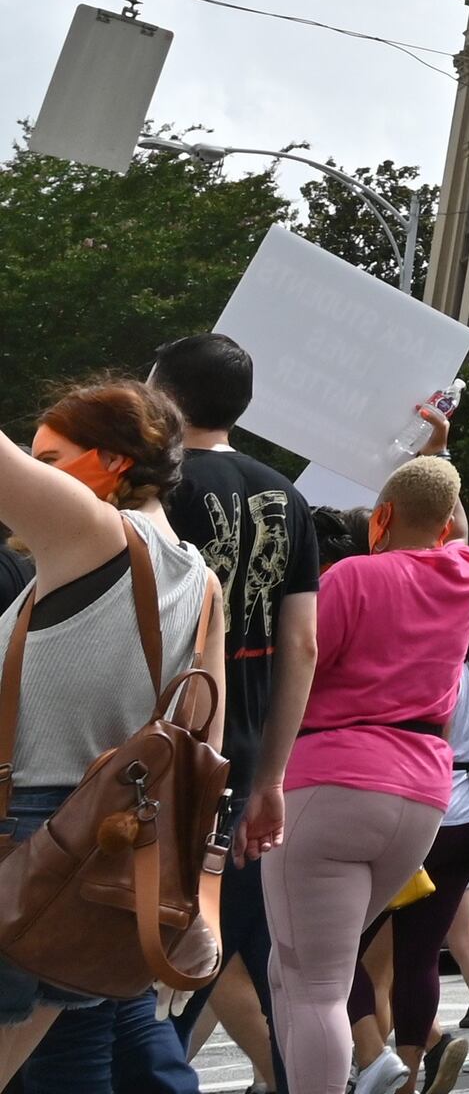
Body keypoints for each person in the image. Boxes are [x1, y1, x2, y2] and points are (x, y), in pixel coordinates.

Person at [0, 382, 227, 1094]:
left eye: (49, 460)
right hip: (105, 856)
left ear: (111, 462)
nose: (38, 475)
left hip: (27, 837)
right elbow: (205, 749)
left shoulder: (95, 533)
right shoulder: (201, 580)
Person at [251, 449, 469, 1094]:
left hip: (332, 782)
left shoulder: (352, 575)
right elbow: (453, 520)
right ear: (443, 525)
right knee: (295, 973)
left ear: (381, 516)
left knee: (313, 986)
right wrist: (438, 451)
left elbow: (300, 667)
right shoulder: (465, 574)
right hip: (423, 795)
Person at [147, 335, 318, 1088]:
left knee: (148, 965)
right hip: (245, 760)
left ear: (162, 395)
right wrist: (271, 777)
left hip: (159, 752)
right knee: (227, 949)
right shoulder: (287, 497)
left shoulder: (156, 490)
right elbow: (302, 644)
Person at [346, 594, 469, 1094]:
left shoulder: (436, 664)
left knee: (337, 945)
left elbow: (419, 736)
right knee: (419, 958)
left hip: (425, 807)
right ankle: (411, 1073)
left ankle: (372, 1056)